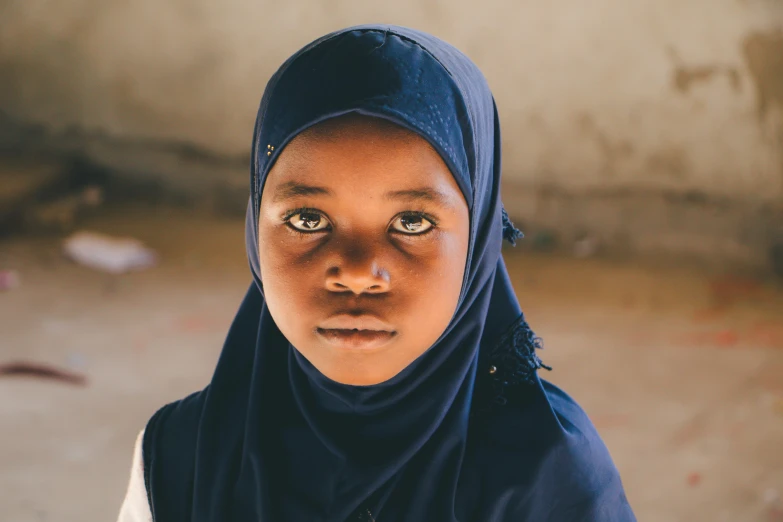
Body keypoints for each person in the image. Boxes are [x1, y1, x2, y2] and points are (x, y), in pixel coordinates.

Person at [117, 25, 636, 522]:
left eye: (411, 222)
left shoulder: (544, 476)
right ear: (256, 229)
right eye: (307, 220)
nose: (360, 274)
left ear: (478, 241)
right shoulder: (177, 457)